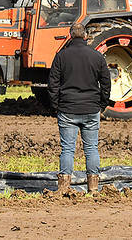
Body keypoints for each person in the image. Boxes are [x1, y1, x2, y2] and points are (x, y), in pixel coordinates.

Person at [48, 23, 111, 194]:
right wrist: (102, 105)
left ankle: (64, 187)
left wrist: (56, 106)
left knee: (67, 148)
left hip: (67, 109)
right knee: (91, 148)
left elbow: (52, 85)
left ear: (69, 36)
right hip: (91, 109)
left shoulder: (61, 56)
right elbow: (106, 83)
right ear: (86, 36)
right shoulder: (97, 56)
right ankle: (93, 188)